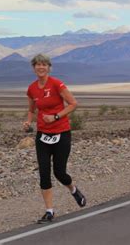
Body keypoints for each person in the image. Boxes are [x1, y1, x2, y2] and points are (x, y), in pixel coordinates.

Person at [23, 54, 86, 224]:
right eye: (37, 65)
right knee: (44, 172)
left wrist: (56, 116)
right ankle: (49, 211)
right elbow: (31, 109)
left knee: (59, 172)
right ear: (34, 68)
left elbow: (73, 103)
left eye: (44, 65)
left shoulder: (57, 84)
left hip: (61, 133)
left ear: (49, 67)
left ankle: (73, 189)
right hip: (43, 134)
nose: (41, 67)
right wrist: (28, 121)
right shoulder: (32, 89)